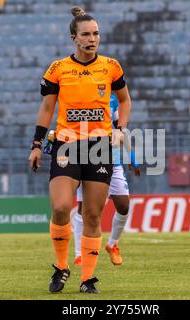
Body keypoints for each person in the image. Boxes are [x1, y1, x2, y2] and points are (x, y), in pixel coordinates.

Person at [28, 6, 131, 294]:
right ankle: (62, 267)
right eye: (86, 34)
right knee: (61, 207)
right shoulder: (58, 69)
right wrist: (37, 144)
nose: (92, 38)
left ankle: (87, 279)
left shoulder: (111, 67)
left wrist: (121, 128)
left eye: (96, 33)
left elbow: (124, 101)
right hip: (66, 145)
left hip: (99, 146)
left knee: (94, 216)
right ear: (74, 38)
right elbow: (47, 108)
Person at [72, 93, 140, 267]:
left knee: (124, 205)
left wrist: (132, 156)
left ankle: (112, 244)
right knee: (83, 206)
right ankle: (79, 253)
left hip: (112, 158)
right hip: (85, 157)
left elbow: (120, 128)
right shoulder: (81, 92)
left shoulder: (113, 98)